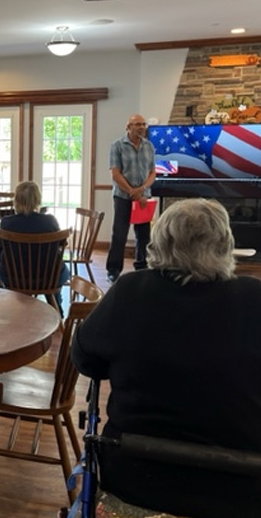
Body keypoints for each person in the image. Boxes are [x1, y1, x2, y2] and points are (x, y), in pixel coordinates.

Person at [72, 198, 261, 518]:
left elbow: (85, 360)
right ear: (226, 245)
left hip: (133, 480)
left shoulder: (130, 291)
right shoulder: (254, 299)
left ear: (158, 243)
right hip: (240, 490)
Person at [0, 181, 70, 312]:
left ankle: (11, 310)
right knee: (59, 267)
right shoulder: (50, 221)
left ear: (16, 200)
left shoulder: (6, 222)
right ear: (38, 199)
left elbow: (0, 247)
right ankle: (56, 309)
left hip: (14, 277)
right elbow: (61, 244)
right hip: (48, 278)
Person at [106, 113, 156, 283]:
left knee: (143, 235)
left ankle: (142, 268)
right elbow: (115, 174)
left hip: (143, 198)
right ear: (128, 127)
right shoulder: (117, 146)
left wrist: (141, 190)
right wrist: (132, 191)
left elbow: (152, 172)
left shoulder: (149, 146)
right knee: (119, 234)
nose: (141, 127)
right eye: (137, 124)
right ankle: (113, 270)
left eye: (143, 124)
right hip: (122, 197)